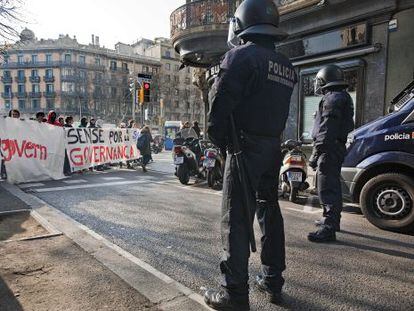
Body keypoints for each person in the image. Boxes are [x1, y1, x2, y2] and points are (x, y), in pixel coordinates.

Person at [203, 1, 297, 310]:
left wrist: (219, 141)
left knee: (236, 220)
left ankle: (235, 294)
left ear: (242, 24)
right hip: (272, 146)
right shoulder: (286, 66)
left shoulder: (240, 57)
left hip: (243, 148)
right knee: (269, 213)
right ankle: (272, 281)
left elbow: (218, 110)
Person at [307, 65, 355, 243]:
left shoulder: (332, 99)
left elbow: (326, 131)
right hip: (335, 148)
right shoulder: (342, 97)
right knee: (331, 185)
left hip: (328, 149)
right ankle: (333, 221)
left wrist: (315, 154)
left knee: (327, 187)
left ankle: (328, 227)